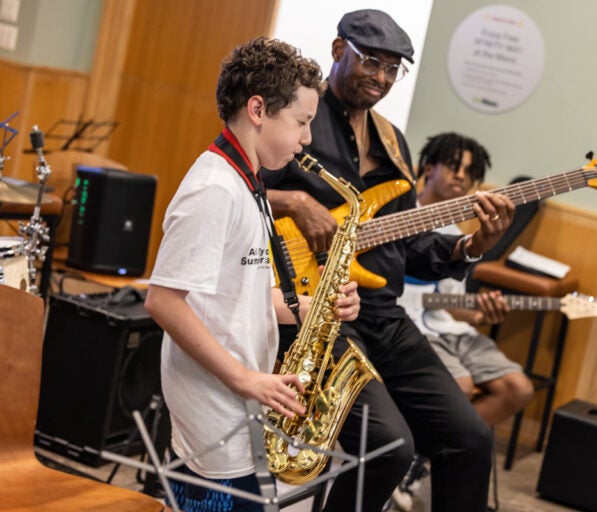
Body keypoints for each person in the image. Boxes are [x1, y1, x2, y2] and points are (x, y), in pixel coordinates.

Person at [263, 10, 516, 512]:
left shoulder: (393, 142)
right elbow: (235, 188)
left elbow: (411, 249)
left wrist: (472, 246)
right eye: (370, 62)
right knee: (389, 446)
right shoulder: (296, 115)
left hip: (382, 313)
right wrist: (292, 201)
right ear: (338, 51)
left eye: (392, 68)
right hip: (318, 310)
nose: (381, 78)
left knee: (472, 439)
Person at [143, 37, 361, 512]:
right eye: (302, 122)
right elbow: (162, 302)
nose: (307, 138)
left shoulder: (248, 182)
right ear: (258, 109)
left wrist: (312, 308)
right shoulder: (214, 189)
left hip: (238, 399)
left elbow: (241, 295)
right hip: (215, 404)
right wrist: (244, 379)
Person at [392, 132, 535, 510]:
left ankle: (424, 461)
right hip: (408, 327)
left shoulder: (466, 238)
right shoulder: (397, 215)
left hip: (445, 326)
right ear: (428, 167)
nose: (461, 178)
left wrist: (479, 312)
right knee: (463, 384)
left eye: (470, 173)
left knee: (517, 388)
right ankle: (430, 458)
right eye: (453, 166)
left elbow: (444, 303)